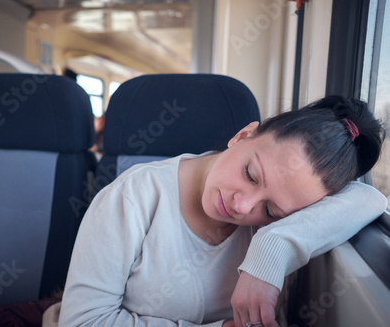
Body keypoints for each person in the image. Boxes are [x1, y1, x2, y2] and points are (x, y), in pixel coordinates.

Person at [47, 95, 387, 327]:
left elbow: (369, 200)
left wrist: (274, 245)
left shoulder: (281, 219)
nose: (241, 206)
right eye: (250, 174)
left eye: (269, 210)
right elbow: (83, 321)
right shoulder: (133, 197)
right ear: (243, 135)